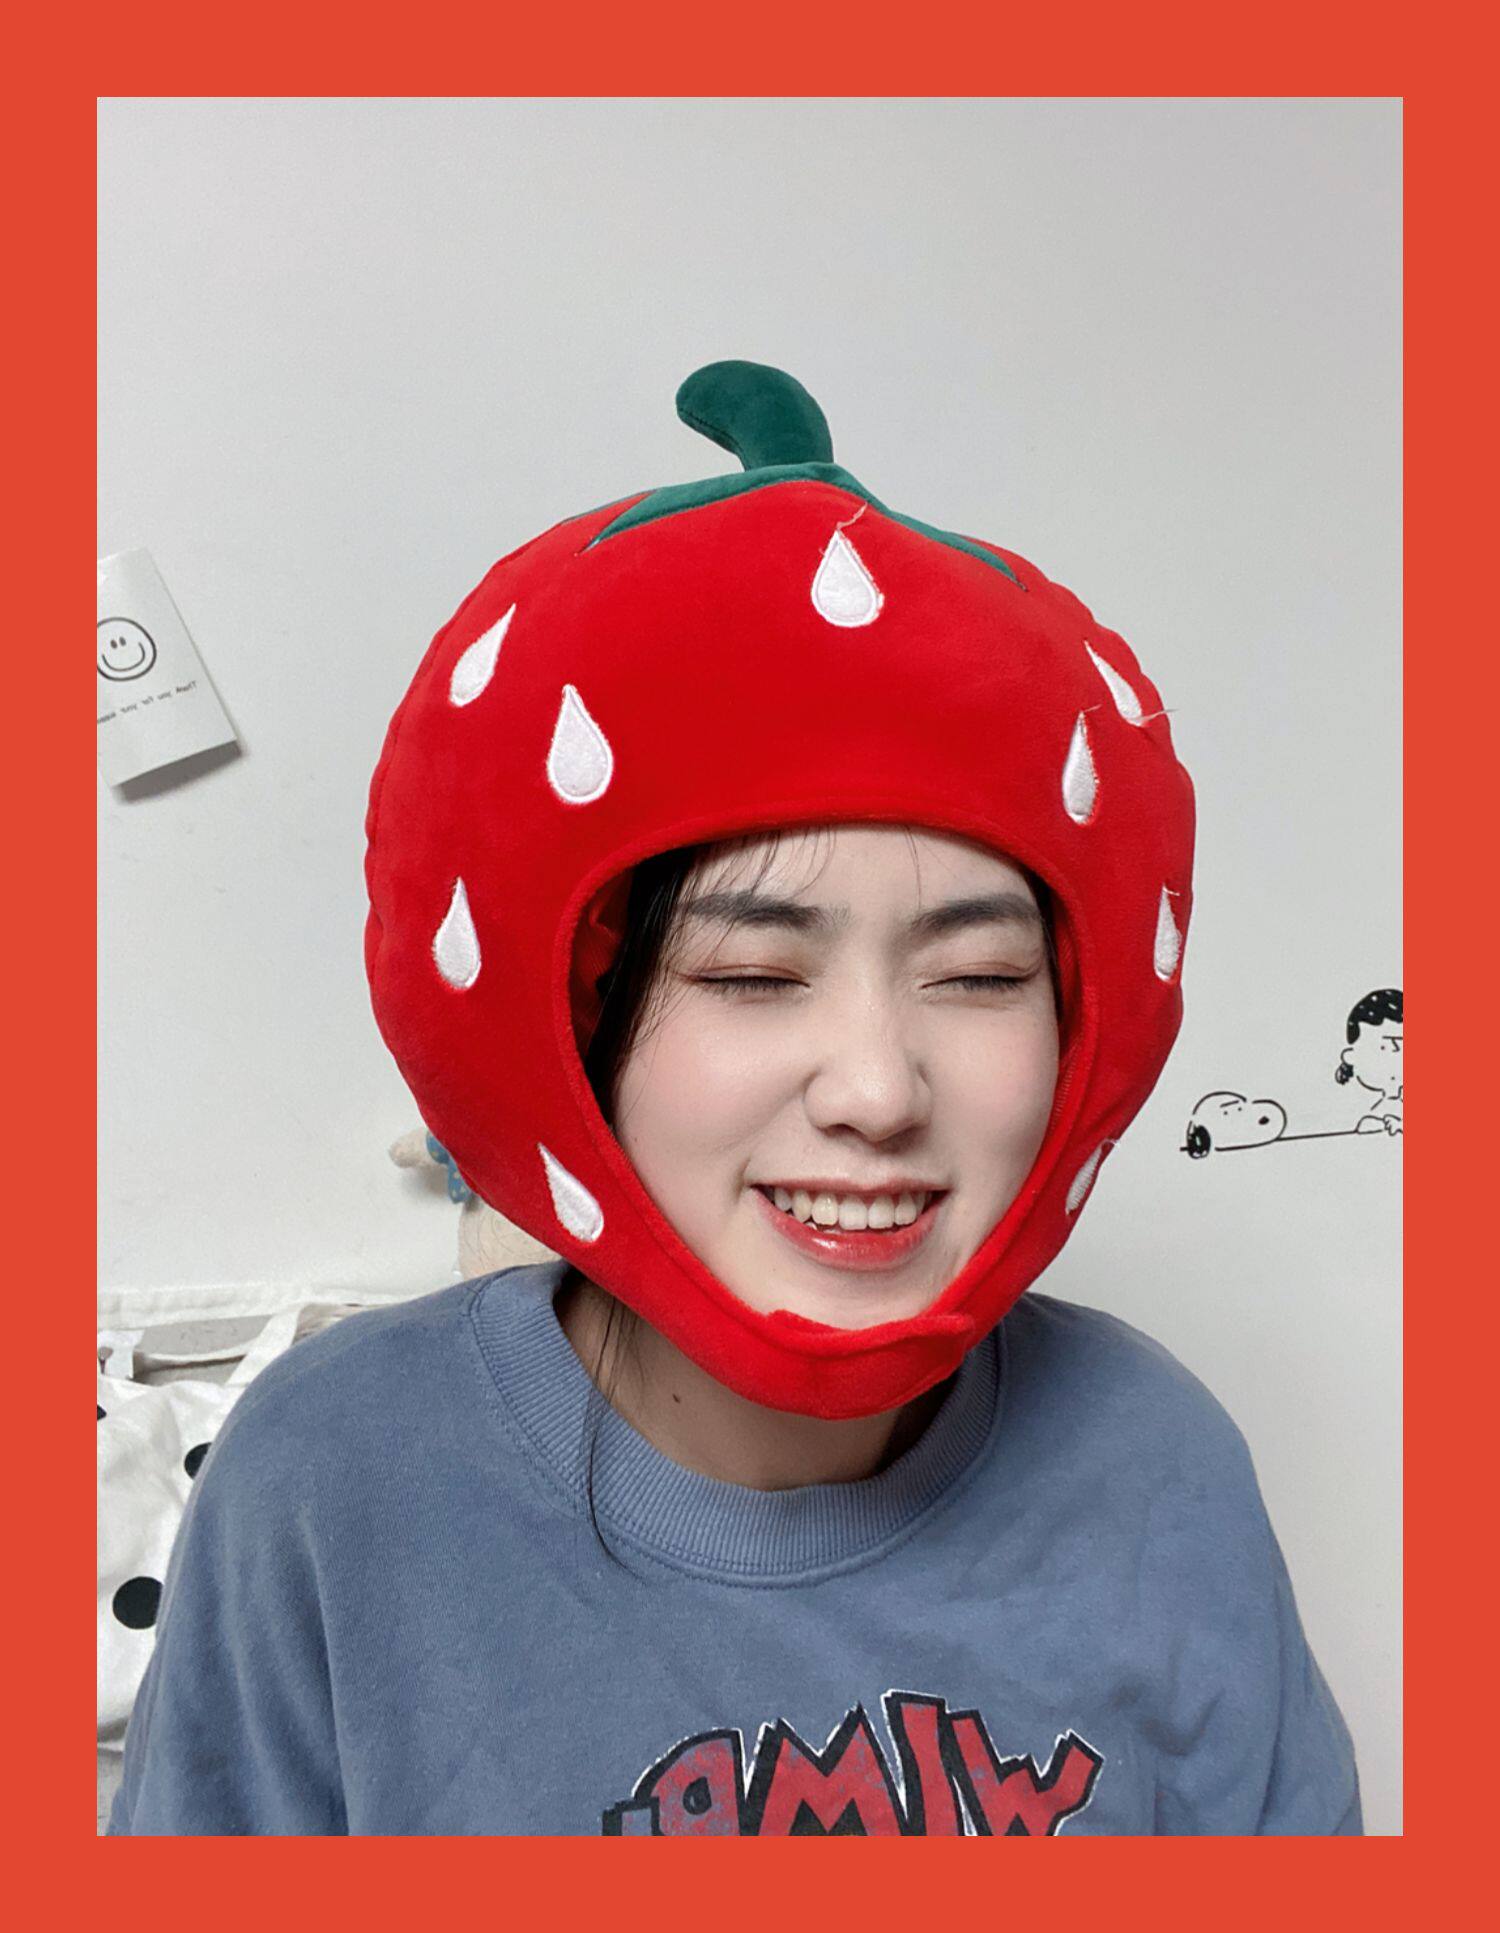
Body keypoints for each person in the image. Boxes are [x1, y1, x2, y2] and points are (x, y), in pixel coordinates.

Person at [110, 362, 1361, 1835]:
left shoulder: (1159, 1462)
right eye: (755, 974)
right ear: (578, 1024)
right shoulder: (330, 1485)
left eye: (978, 975)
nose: (879, 1089)